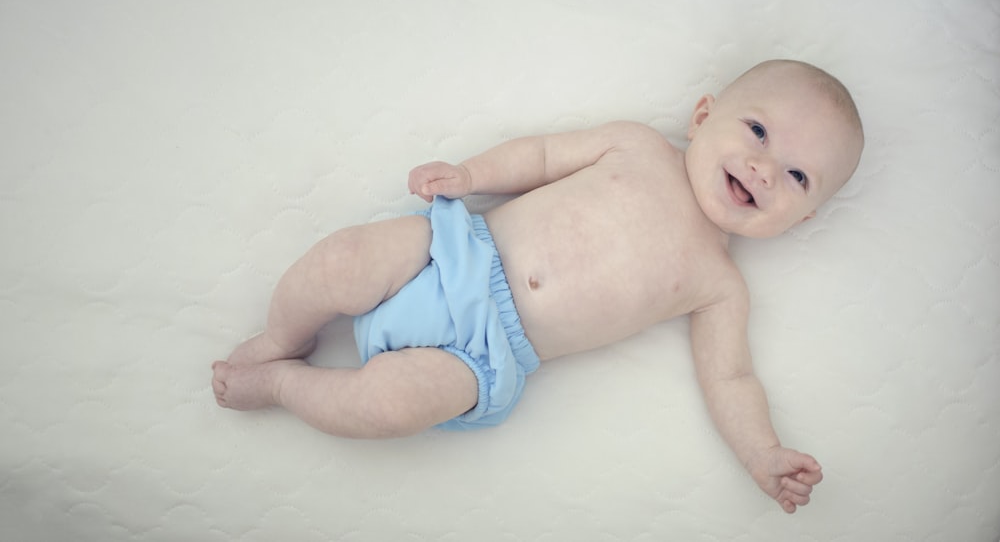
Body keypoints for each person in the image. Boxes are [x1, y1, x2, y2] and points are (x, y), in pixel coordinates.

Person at [211, 59, 864, 514]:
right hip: (452, 251)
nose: (764, 168)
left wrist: (763, 453)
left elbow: (732, 380)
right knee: (343, 260)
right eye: (758, 131)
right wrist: (470, 174)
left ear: (802, 220)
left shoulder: (720, 286)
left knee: (391, 408)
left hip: (488, 353)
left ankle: (281, 385)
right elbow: (545, 156)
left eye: (799, 177)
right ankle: (279, 338)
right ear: (703, 114)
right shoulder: (635, 147)